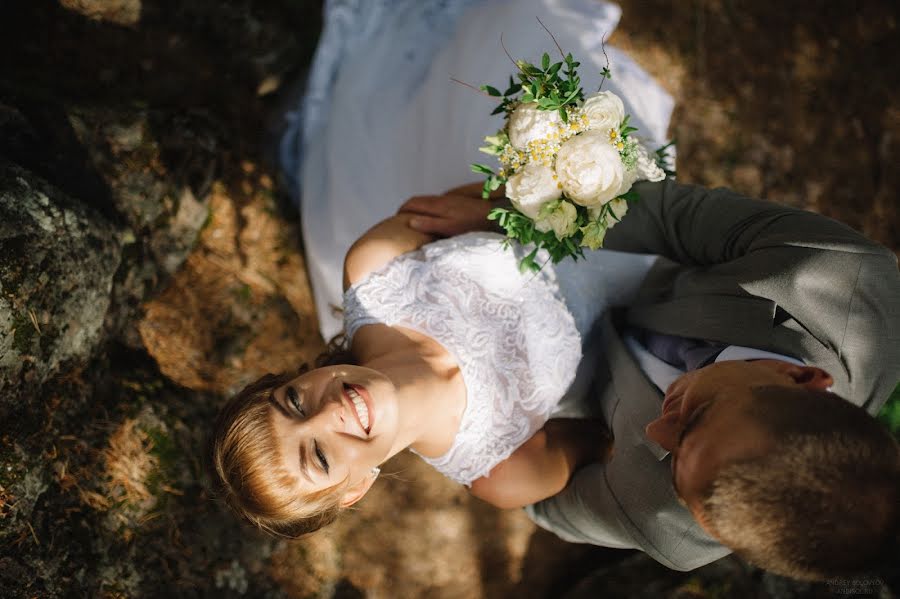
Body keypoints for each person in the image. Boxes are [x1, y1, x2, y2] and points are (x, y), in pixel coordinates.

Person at [214, 0, 900, 582]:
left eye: (295, 404)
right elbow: (674, 217)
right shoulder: (840, 278)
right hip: (615, 249)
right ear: (800, 375)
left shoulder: (666, 516)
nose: (650, 429)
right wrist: (523, 203)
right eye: (319, 452)